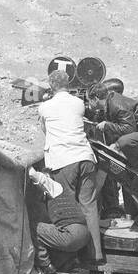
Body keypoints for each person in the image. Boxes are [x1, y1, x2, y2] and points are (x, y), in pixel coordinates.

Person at [36, 70, 102, 264]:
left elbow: (44, 130)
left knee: (68, 209)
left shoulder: (45, 107)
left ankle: (73, 258)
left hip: (63, 160)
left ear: (51, 85)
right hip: (85, 156)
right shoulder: (79, 103)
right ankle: (96, 254)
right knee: (89, 205)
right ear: (68, 83)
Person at [86, 81, 138, 215]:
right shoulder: (110, 102)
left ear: (95, 98)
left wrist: (107, 125)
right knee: (128, 174)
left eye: (90, 100)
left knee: (123, 141)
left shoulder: (117, 105)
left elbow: (129, 129)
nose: (90, 104)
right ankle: (133, 213)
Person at [28, 170, 91, 274]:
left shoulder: (53, 187)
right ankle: (67, 263)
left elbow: (34, 175)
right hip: (83, 234)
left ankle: (45, 265)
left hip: (73, 234)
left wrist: (25, 162)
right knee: (52, 232)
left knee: (34, 227)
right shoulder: (62, 193)